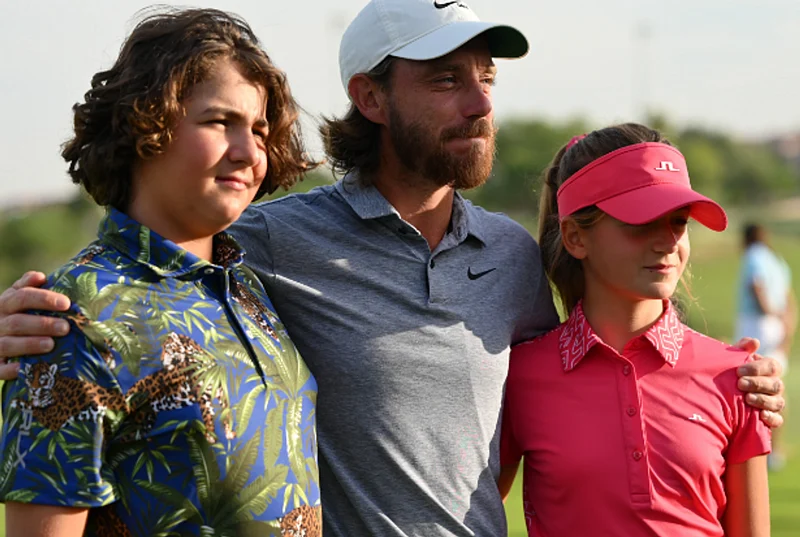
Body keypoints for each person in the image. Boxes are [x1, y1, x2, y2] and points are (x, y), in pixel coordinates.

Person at [0, 1, 786, 536]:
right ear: (370, 98)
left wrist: (735, 382)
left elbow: (582, 377)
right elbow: (147, 268)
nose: (480, 103)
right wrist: (21, 319)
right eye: (446, 79)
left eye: (486, 77)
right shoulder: (271, 238)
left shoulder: (513, 255)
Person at [0, 9, 321, 537]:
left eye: (259, 130)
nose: (249, 152)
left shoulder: (248, 289)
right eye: (219, 122)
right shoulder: (76, 314)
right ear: (145, 123)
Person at [499, 124, 771, 537]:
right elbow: (472, 515)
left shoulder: (737, 376)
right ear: (575, 237)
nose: (667, 241)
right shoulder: (520, 375)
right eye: (641, 222)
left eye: (678, 221)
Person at [735, 223, 797, 470]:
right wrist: (786, 326)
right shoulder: (777, 261)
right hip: (778, 324)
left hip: (758, 325)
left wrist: (769, 312)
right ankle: (775, 449)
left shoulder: (753, 256)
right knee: (775, 386)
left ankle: (757, 448)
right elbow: (789, 298)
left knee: (749, 385)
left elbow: (756, 286)